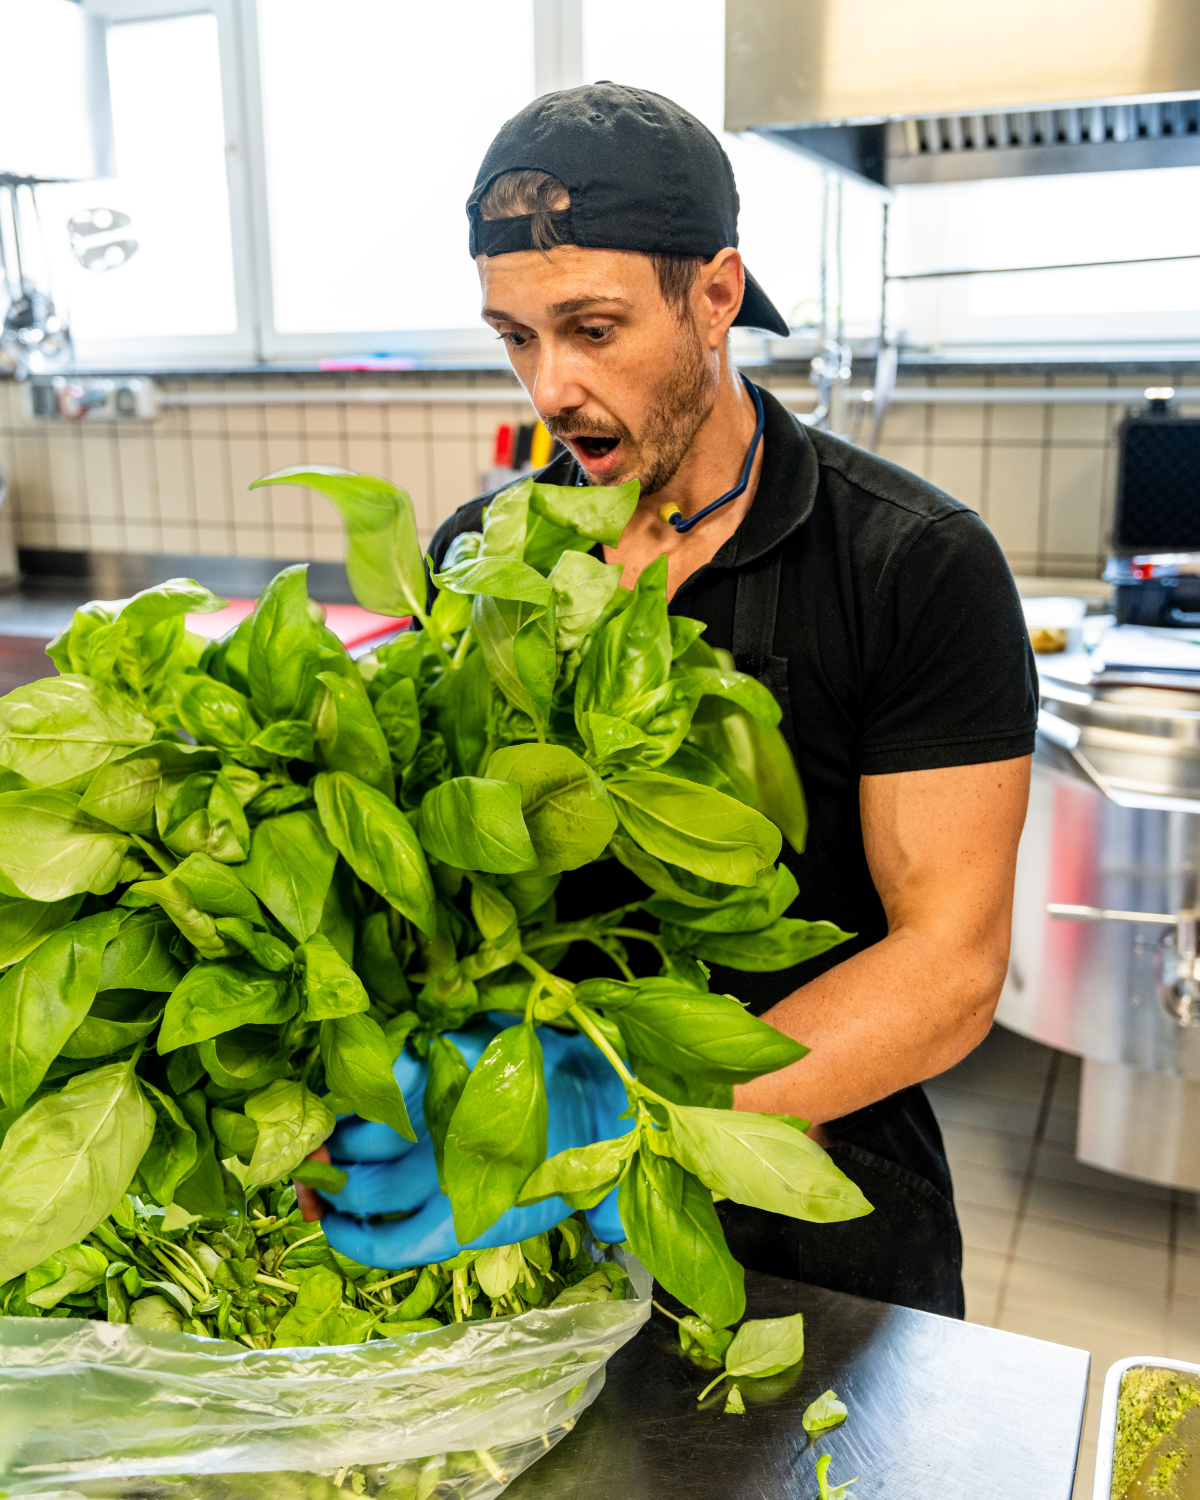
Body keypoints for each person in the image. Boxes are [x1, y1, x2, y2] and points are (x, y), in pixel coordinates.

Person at [305, 83, 1036, 1318]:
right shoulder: (482, 558)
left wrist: (628, 1117)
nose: (548, 389)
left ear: (716, 296)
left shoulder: (910, 562)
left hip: (815, 1209)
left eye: (592, 329)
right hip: (532, 1237)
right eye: (517, 338)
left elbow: (949, 967)